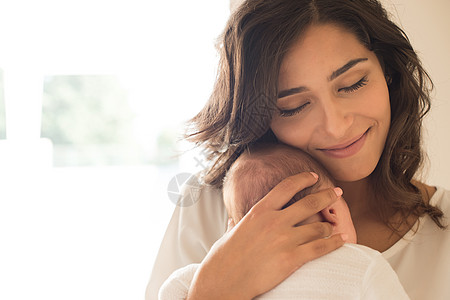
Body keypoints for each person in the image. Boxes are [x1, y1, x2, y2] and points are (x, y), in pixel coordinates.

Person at [146, 1, 450, 299]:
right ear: (263, 119)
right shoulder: (206, 206)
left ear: (389, 73)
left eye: (353, 84)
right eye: (294, 107)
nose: (336, 126)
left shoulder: (443, 231)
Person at [158, 143, 410, 299]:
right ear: (331, 212)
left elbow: (168, 291)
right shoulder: (363, 264)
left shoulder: (211, 272)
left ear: (232, 230)